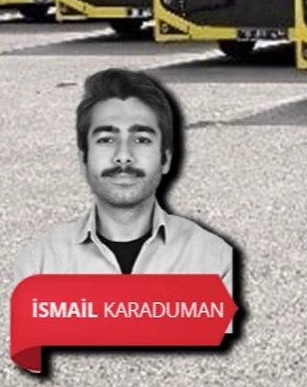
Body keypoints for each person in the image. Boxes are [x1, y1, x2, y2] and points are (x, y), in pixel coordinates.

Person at [12, 68, 233, 294]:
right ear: (83, 159)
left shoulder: (211, 258)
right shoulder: (40, 263)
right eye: (106, 140)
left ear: (165, 159)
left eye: (141, 140)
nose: (124, 156)